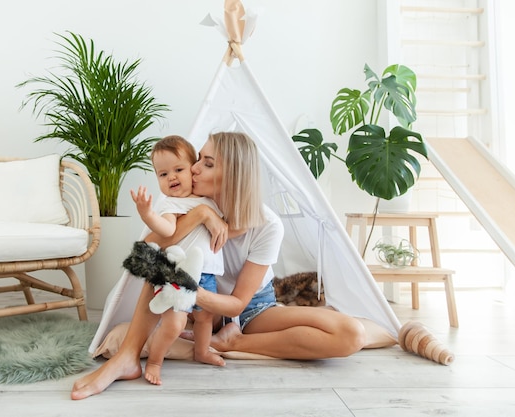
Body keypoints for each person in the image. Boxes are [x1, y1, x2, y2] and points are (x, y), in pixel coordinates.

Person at [71, 132, 366, 400]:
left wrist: (186, 290)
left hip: (252, 308)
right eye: (198, 159)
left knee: (351, 333)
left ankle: (231, 343)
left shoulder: (267, 225)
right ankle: (127, 356)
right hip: (204, 313)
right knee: (161, 259)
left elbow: (238, 303)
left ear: (234, 176)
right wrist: (200, 215)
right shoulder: (189, 202)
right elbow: (145, 252)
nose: (194, 168)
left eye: (207, 163)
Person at [130, 135, 225, 385]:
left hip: (207, 273)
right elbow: (167, 230)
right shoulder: (171, 204)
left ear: (193, 169)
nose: (171, 177)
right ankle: (155, 361)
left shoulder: (208, 198)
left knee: (205, 318)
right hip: (179, 274)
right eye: (162, 174)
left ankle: (202, 352)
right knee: (175, 323)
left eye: (178, 169)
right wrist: (147, 214)